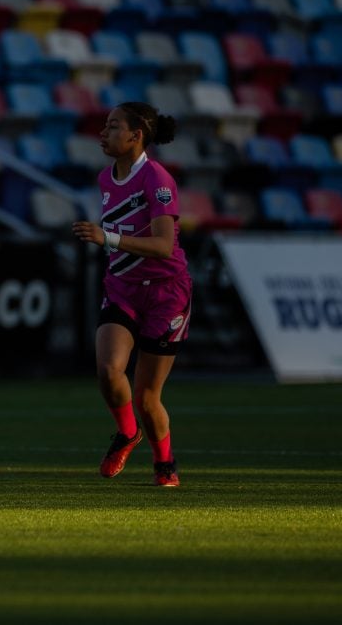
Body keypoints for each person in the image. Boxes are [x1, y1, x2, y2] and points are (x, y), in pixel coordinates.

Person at [71, 102, 191, 488]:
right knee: (108, 371)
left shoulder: (157, 180)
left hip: (165, 294)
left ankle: (165, 464)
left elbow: (162, 246)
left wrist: (106, 237)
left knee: (147, 397)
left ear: (136, 135)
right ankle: (127, 434)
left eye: (112, 127)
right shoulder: (107, 178)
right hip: (122, 288)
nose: (103, 134)